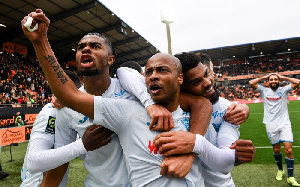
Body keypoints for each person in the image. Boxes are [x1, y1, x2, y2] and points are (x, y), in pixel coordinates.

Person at [22, 9, 214, 186]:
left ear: (111, 59)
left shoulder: (135, 88)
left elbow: (201, 104)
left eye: (95, 46)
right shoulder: (67, 106)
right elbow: (59, 164)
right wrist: (82, 145)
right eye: (81, 47)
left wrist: (190, 148)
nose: (86, 49)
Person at [117, 52, 255, 186]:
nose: (207, 83)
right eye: (196, 82)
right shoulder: (166, 101)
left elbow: (226, 161)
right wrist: (150, 104)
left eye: (206, 74)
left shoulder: (229, 110)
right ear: (179, 82)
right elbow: (123, 71)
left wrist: (192, 148)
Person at [20, 70, 114, 187]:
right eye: (77, 93)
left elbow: (81, 155)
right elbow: (33, 161)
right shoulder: (51, 112)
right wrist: (82, 145)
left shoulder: (71, 113)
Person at [249, 73, 300, 186]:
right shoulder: (263, 90)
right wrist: (265, 77)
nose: (273, 81)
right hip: (270, 124)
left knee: (288, 150)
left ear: (278, 81)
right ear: (268, 81)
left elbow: (297, 82)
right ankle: (280, 170)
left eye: (275, 79)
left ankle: (290, 177)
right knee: (277, 149)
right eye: (271, 79)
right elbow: (251, 83)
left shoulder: (284, 89)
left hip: (285, 123)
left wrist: (283, 77)